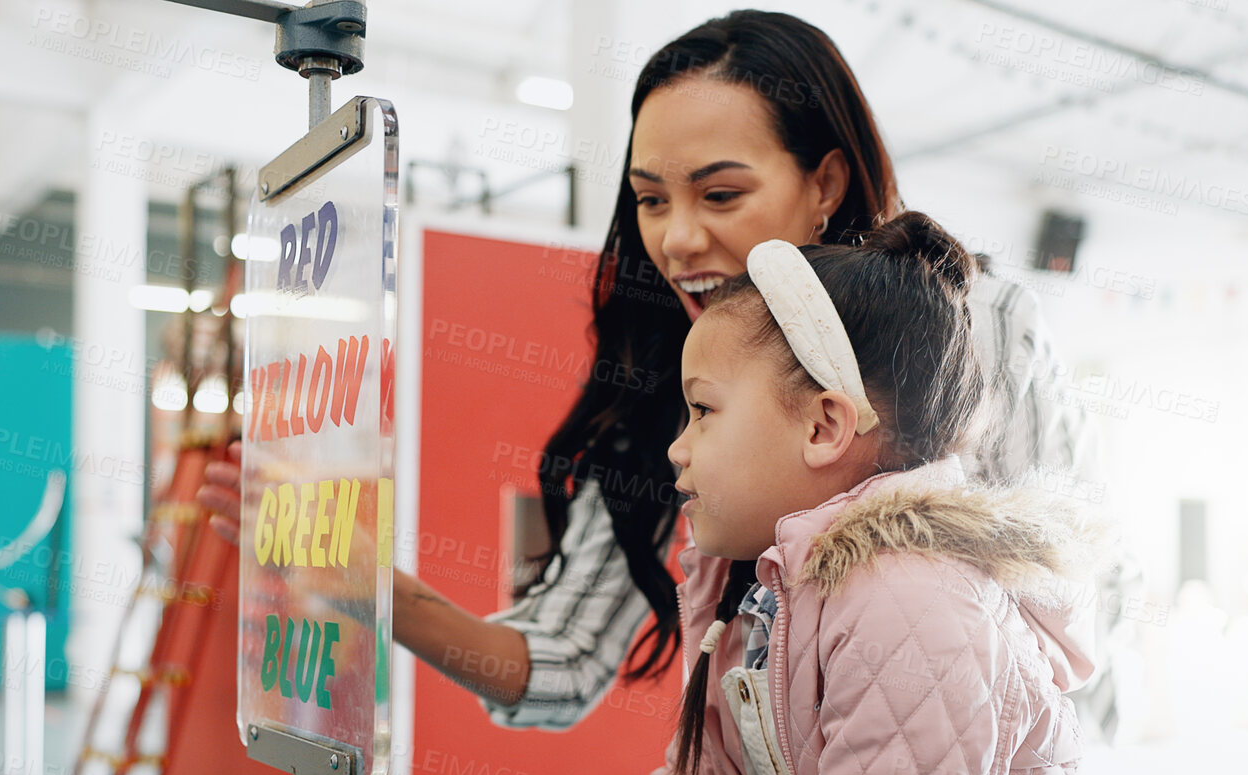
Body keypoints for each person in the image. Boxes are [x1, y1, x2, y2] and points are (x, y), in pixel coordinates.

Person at [271, 214, 1196, 775]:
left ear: (825, 427)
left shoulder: (916, 601)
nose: (675, 446)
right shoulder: (765, 585)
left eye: (703, 410)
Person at [200, 9, 1117, 735]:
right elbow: (556, 662)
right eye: (648, 200)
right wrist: (366, 584)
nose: (677, 239)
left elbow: (1067, 611)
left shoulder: (982, 326)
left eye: (721, 194)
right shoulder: (678, 377)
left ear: (826, 183)